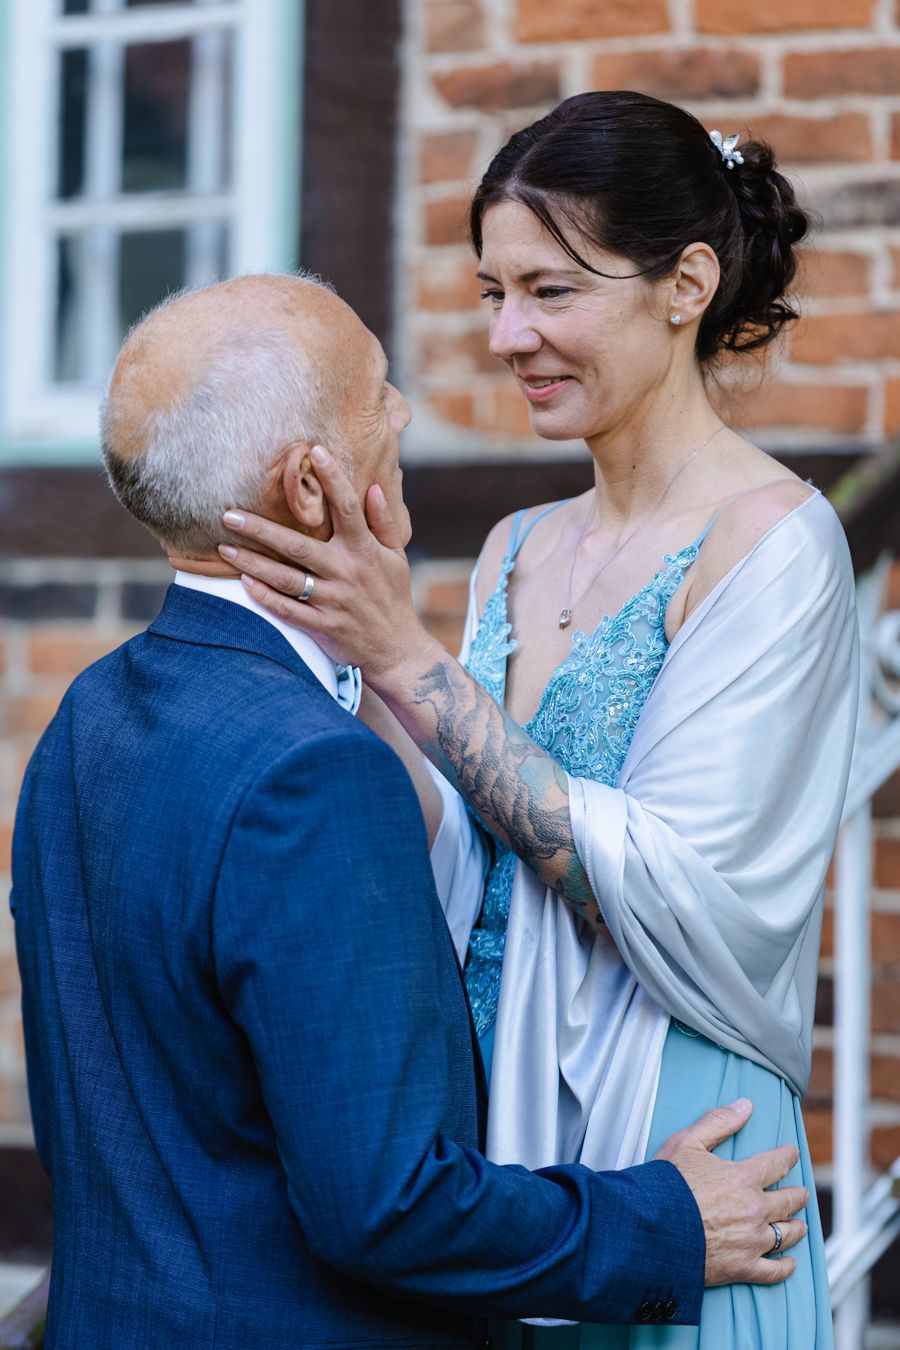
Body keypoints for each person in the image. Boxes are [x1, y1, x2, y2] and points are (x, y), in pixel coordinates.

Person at [10, 273, 808, 1350]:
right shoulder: (314, 775)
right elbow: (389, 1207)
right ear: (312, 487)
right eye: (377, 392)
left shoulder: (89, 715)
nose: (403, 413)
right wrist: (665, 1223)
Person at [218, 93, 859, 1348]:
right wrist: (340, 651)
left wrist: (403, 654)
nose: (509, 336)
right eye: (493, 293)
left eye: (552, 291)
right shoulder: (515, 545)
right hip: (498, 1124)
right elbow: (465, 841)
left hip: (677, 1124)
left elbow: (677, 888)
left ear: (686, 286)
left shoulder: (776, 544)